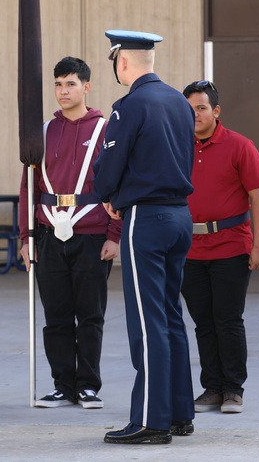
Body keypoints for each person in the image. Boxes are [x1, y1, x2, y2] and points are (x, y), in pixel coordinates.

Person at [92, 30, 196, 445]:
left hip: (146, 219)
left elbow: (110, 162)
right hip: (179, 216)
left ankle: (151, 420)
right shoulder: (178, 102)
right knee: (170, 315)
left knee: (146, 319)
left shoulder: (129, 105)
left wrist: (109, 196)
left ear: (122, 62)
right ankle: (177, 413)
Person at [18, 56, 121, 409]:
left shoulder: (105, 129)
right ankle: (62, 385)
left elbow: (117, 184)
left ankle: (88, 385)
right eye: (59, 84)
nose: (63, 91)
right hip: (48, 235)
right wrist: (25, 238)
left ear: (86, 87)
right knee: (56, 316)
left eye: (71, 84)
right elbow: (28, 187)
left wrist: (114, 234)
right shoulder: (43, 131)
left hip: (92, 235)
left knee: (90, 314)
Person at [181, 80, 259, 415]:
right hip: (189, 249)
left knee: (227, 319)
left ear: (216, 111)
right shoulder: (178, 147)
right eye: (189, 110)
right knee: (202, 320)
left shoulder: (240, 146)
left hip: (232, 247)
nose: (195, 115)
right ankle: (212, 387)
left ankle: (233, 389)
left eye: (201, 108)